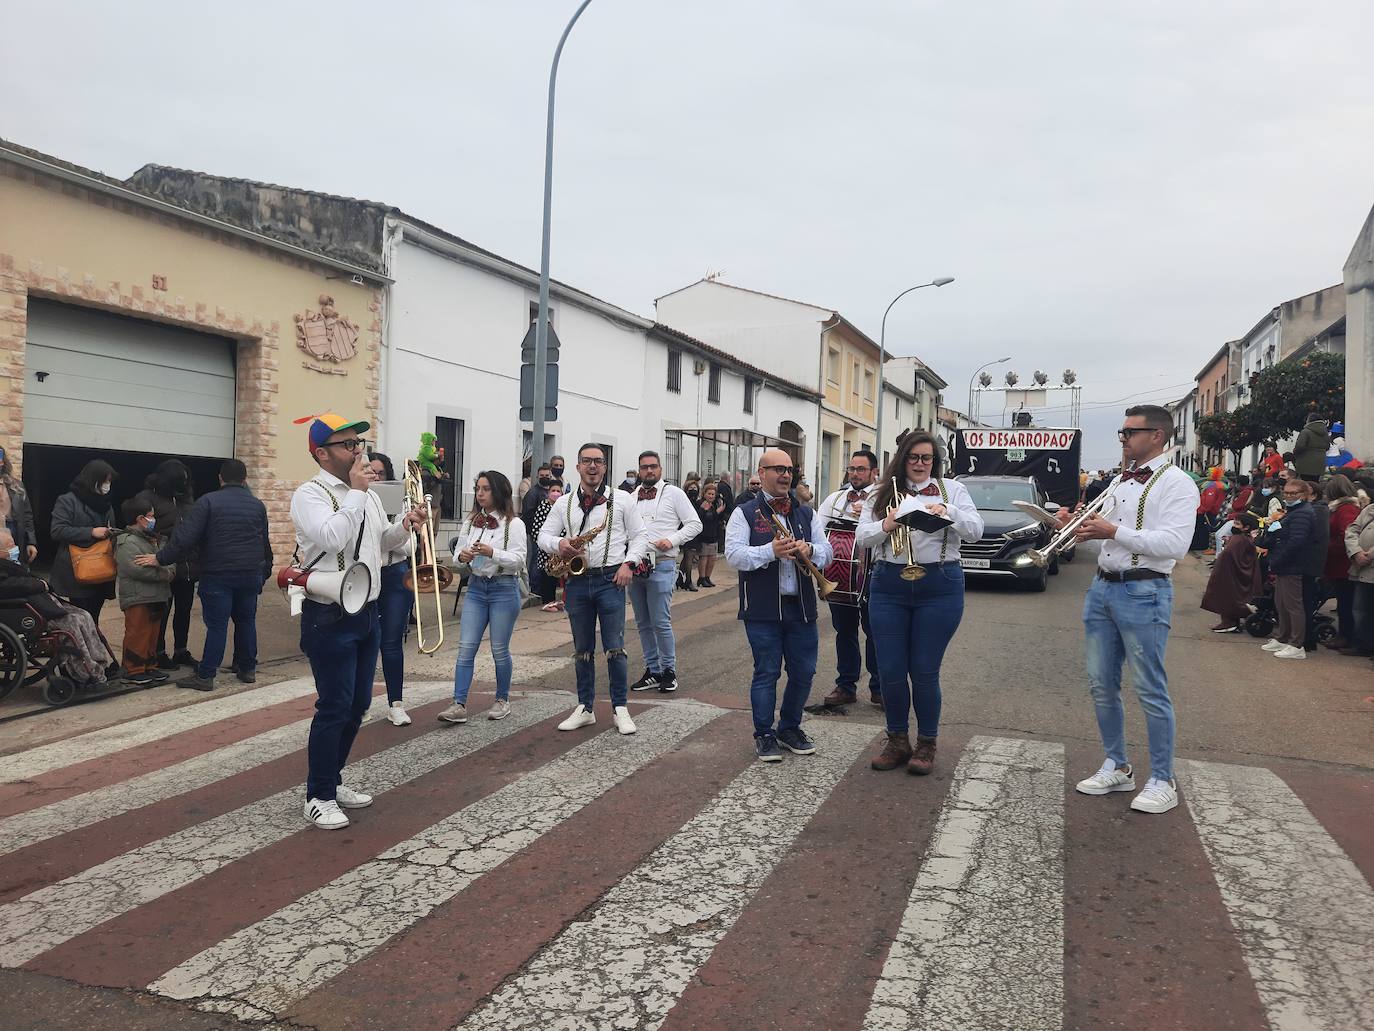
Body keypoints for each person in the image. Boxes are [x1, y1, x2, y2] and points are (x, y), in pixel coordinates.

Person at [290, 413, 428, 831]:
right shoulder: (309, 494)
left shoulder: (363, 495)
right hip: (328, 613)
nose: (358, 451)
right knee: (333, 705)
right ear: (321, 453)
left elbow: (381, 544)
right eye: (347, 445)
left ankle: (332, 780)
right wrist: (356, 492)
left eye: (357, 443)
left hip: (366, 609)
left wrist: (405, 526)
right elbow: (331, 537)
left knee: (358, 705)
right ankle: (318, 795)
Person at [1064, 405, 1200, 815]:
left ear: (1157, 436)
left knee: (1150, 689)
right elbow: (1103, 534)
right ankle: (1118, 765)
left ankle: (1163, 778)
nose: (1122, 439)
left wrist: (1112, 530)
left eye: (1129, 433)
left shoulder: (1177, 483)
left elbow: (1175, 545)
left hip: (1145, 591)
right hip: (1103, 588)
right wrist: (1074, 525)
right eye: (1121, 433)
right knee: (1101, 684)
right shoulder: (1122, 480)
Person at [858, 433, 984, 775]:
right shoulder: (881, 491)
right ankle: (897, 739)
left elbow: (976, 531)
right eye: (913, 457)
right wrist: (889, 521)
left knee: (925, 671)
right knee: (891, 671)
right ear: (903, 457)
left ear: (935, 461)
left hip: (939, 585)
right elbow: (862, 538)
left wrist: (949, 511)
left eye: (926, 458)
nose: (919, 463)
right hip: (888, 584)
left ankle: (927, 743)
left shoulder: (952, 489)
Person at [724, 448, 833, 762]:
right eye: (778, 469)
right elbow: (734, 556)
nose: (786, 475)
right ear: (761, 472)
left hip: (801, 606)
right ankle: (765, 734)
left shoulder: (806, 513)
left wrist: (810, 549)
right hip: (762, 609)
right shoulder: (744, 512)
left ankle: (789, 727)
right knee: (767, 672)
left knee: (804, 672)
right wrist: (770, 551)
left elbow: (827, 552)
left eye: (789, 469)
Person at [538, 442, 652, 735]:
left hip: (611, 578)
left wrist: (629, 564)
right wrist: (559, 544)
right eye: (587, 461)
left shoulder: (623, 500)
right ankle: (585, 708)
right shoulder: (564, 503)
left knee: (615, 648)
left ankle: (621, 709)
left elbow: (640, 537)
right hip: (576, 580)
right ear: (577, 467)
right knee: (582, 649)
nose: (592, 466)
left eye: (598, 461)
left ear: (605, 467)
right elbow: (543, 536)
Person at [140, 459, 273, 692]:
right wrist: (264, 572)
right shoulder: (257, 505)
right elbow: (264, 544)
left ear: (220, 478)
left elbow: (184, 538)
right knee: (246, 620)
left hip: (218, 574)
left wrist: (160, 558)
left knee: (217, 625)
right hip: (250, 573)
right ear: (244, 480)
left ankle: (206, 675)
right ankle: (247, 669)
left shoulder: (208, 502)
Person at [440, 470, 526, 724]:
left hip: (503, 587)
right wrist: (462, 556)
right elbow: (457, 556)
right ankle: (458, 704)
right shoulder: (470, 522)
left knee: (499, 649)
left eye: (485, 488)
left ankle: (502, 699)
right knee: (466, 648)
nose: (479, 493)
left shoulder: (514, 524)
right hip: (477, 588)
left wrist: (493, 553)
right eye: (478, 488)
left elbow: (520, 560)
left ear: (498, 491)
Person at [0, 528, 114, 685]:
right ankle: (81, 672)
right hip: (27, 610)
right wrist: (39, 584)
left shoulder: (10, 564)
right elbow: (8, 586)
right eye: (10, 545)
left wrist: (41, 585)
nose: (15, 547)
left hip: (41, 604)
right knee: (72, 623)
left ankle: (99, 664)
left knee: (85, 615)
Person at [627, 450, 701, 694]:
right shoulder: (632, 496)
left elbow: (695, 524)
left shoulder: (674, 493)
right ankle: (653, 670)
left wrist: (672, 539)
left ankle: (669, 670)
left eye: (653, 466)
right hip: (636, 564)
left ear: (660, 469)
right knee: (642, 622)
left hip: (663, 563)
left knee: (660, 621)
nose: (649, 470)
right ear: (639, 470)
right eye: (645, 467)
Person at [818, 449, 881, 707]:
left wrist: (869, 514)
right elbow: (819, 529)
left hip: (874, 573)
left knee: (875, 632)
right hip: (841, 575)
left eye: (861, 469)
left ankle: (879, 687)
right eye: (852, 469)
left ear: (874, 472)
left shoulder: (884, 498)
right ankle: (846, 686)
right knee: (844, 631)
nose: (854, 474)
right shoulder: (835, 499)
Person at [367, 452, 414, 725]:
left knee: (391, 641)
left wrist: (388, 537)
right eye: (370, 472)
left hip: (396, 573)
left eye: (380, 473)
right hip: (366, 574)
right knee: (364, 641)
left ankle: (396, 703)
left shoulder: (402, 501)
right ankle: (361, 702)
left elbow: (411, 547)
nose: (375, 477)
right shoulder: (358, 499)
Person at [143, 459, 199, 670]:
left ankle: (181, 650)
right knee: (162, 611)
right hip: (163, 564)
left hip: (188, 566)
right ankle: (158, 652)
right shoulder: (148, 498)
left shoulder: (187, 498)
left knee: (183, 610)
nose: (183, 485)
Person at [49, 459, 118, 626]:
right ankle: (82, 649)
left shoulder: (106, 504)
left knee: (94, 619)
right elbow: (57, 530)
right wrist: (91, 532)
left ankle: (93, 648)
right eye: (104, 480)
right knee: (81, 619)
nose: (107, 485)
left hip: (102, 569)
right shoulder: (68, 500)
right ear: (92, 479)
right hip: (78, 569)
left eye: (109, 481)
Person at [115, 496, 175, 686]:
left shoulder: (151, 539)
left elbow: (168, 560)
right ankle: (133, 669)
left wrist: (163, 567)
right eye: (151, 516)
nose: (153, 519)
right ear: (140, 518)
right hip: (137, 596)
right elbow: (137, 569)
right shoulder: (127, 542)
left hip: (155, 595)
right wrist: (164, 572)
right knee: (137, 633)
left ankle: (149, 665)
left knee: (152, 634)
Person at [1260, 477, 1316, 661]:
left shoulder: (1303, 513)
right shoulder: (1292, 512)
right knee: (1281, 604)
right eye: (1287, 493)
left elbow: (1296, 541)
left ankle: (1296, 644)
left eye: (1294, 493)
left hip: (1293, 565)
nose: (1289, 496)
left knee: (1293, 606)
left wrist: (1278, 556)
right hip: (1284, 565)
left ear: (1304, 494)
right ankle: (1283, 637)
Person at [1201, 511, 1262, 633]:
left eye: (1237, 524)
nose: (1234, 526)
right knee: (1229, 597)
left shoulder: (1239, 540)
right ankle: (1231, 621)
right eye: (1234, 523)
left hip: (1231, 574)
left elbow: (1231, 556)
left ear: (1246, 527)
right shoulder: (1241, 539)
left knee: (1228, 597)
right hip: (1232, 573)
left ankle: (1230, 622)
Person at [1322, 475, 1361, 650]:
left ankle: (1347, 636)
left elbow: (1346, 536)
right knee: (1344, 601)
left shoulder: (1346, 510)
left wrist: (1326, 547)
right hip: (1340, 563)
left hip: (1342, 564)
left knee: (1346, 602)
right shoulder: (1344, 508)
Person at [1343, 498, 1374, 658]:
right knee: (1360, 609)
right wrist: (1356, 552)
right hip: (1361, 567)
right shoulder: (1369, 509)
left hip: (1370, 562)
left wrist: (1369, 555)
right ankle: (1363, 643)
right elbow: (1352, 530)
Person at [0, 444, 37, 568]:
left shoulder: (16, 486)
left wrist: (31, 542)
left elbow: (27, 515)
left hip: (14, 531)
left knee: (14, 569)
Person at [693, 481, 727, 589]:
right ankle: (701, 578)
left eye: (713, 494)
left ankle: (708, 577)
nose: (711, 496)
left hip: (714, 534)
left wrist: (719, 511)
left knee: (712, 557)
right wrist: (716, 512)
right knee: (704, 557)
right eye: (709, 494)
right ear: (704, 493)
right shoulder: (701, 504)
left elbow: (716, 518)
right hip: (704, 535)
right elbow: (705, 518)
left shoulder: (715, 504)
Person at [678, 472, 703, 591]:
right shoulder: (684, 500)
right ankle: (688, 580)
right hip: (686, 530)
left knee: (688, 556)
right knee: (689, 555)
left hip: (695, 532)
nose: (693, 490)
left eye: (695, 488)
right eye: (691, 488)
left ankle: (679, 578)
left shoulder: (698, 502)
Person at [1292, 413, 1329, 484]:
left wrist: (1295, 453)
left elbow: (1300, 446)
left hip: (1306, 462)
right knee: (1315, 483)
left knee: (1306, 483)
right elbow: (1327, 446)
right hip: (1320, 462)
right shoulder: (1325, 433)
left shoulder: (1306, 432)